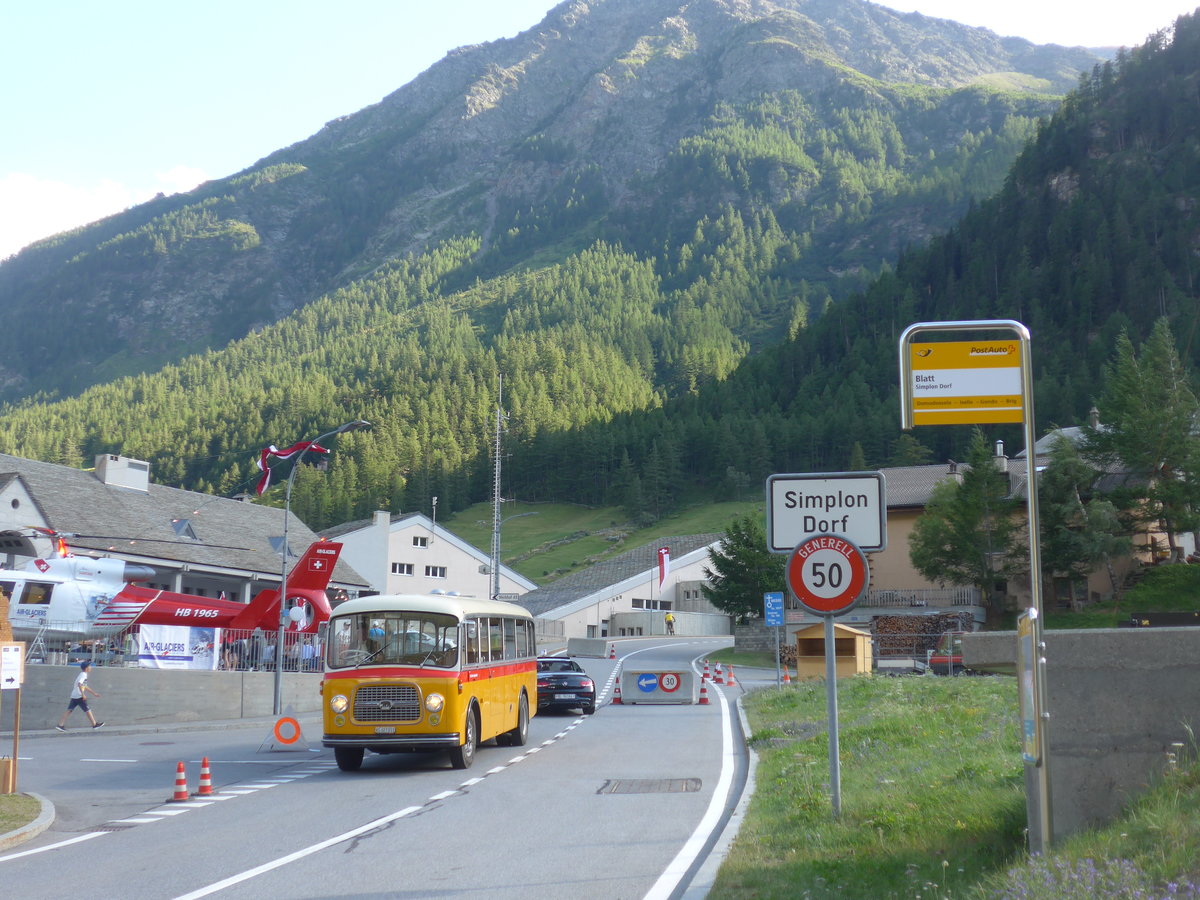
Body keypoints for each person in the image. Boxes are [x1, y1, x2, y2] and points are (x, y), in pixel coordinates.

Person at [56, 661, 104, 730]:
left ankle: (60, 725)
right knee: (87, 710)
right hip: (79, 696)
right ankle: (94, 724)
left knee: (69, 710)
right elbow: (80, 684)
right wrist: (83, 694)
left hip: (75, 695)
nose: (91, 667)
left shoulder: (82, 674)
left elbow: (85, 686)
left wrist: (94, 693)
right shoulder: (83, 675)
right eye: (89, 666)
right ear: (86, 668)